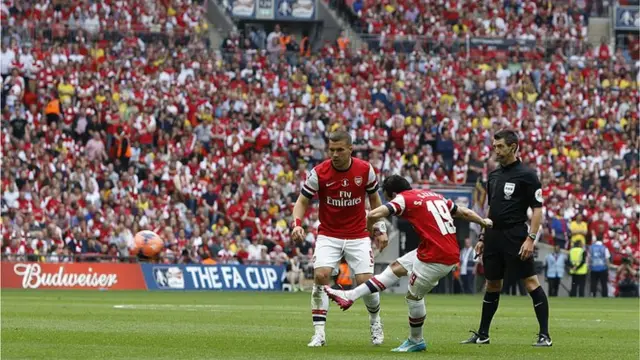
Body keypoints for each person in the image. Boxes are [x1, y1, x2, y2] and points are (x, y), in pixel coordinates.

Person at [324, 175, 492, 352]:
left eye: (388, 197)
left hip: (436, 256)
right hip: (440, 250)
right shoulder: (433, 195)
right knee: (395, 268)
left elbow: (374, 213)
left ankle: (415, 340)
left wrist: (370, 229)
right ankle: (350, 296)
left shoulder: (403, 199)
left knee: (413, 297)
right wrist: (482, 221)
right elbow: (464, 212)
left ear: (394, 193)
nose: (390, 201)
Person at [290, 130, 388, 347]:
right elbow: (302, 201)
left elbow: (374, 199)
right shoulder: (319, 172)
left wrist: (380, 228)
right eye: (331, 150)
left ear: (350, 149)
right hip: (328, 234)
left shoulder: (365, 169)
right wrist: (297, 224)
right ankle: (319, 333)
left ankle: (375, 322)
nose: (334, 154)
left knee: (365, 282)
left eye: (339, 150)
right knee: (321, 275)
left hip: (358, 233)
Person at [461, 129, 552, 347]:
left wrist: (531, 238)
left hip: (515, 235)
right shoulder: (493, 175)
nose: (496, 150)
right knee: (492, 284)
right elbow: (491, 208)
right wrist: (482, 236)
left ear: (513, 147)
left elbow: (537, 209)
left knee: (530, 282)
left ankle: (545, 336)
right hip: (492, 235)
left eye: (500, 146)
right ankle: (483, 334)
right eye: (494, 146)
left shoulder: (528, 175)